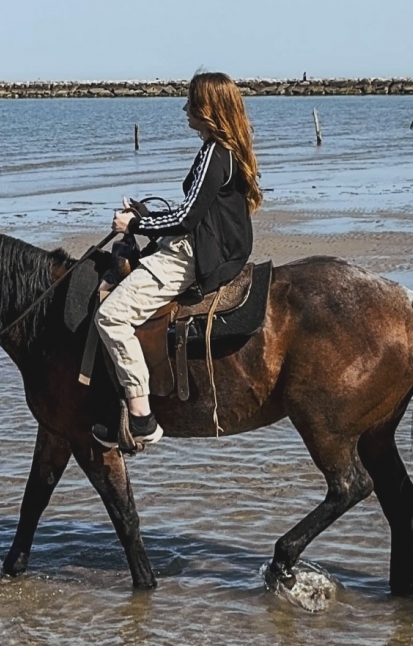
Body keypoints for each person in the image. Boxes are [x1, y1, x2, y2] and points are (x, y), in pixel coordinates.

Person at [92, 71, 263, 448]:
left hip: (198, 254)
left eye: (191, 102)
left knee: (111, 316)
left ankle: (141, 417)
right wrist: (147, 218)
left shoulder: (214, 153)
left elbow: (187, 218)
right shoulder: (225, 150)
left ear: (208, 109)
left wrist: (134, 222)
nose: (184, 108)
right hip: (219, 248)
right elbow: (193, 211)